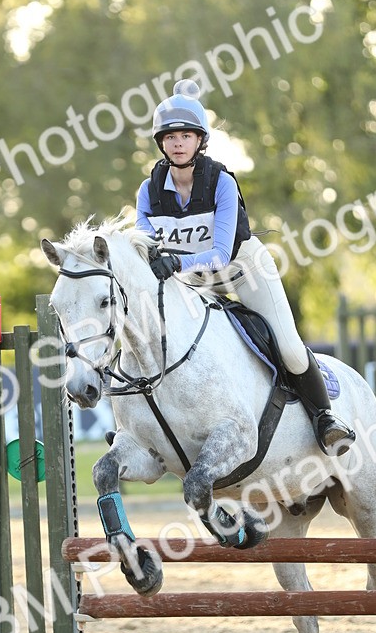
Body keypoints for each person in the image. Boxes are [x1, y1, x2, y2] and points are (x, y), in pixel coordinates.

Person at [135, 79, 355, 456]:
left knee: (286, 346)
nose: (177, 142)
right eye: (169, 136)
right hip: (191, 284)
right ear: (160, 143)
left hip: (243, 271)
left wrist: (175, 261)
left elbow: (221, 254)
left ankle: (325, 419)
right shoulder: (149, 192)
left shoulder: (219, 181)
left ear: (200, 141)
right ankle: (147, 427)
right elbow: (143, 251)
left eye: (186, 135)